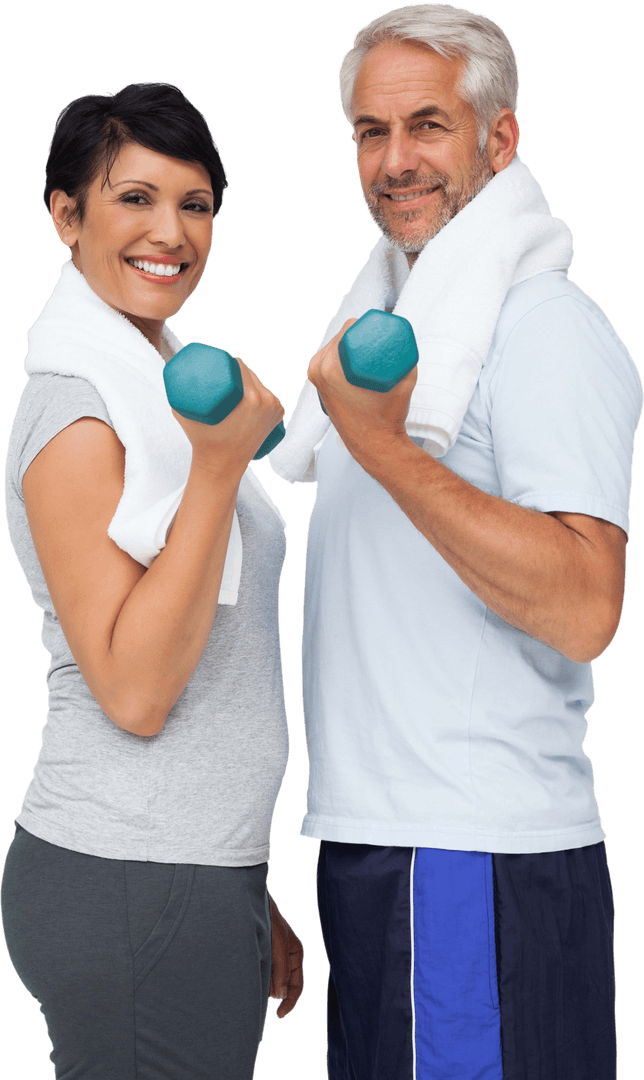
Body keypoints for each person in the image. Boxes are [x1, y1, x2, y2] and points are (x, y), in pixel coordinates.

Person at [269, 5, 641, 1079]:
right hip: (392, 844)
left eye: (426, 125)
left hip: (467, 858)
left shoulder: (541, 329)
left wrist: (383, 450)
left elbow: (584, 604)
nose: (393, 162)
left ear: (499, 138)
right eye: (367, 132)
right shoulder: (392, 335)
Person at [1, 82, 302, 1080]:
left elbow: (207, 662)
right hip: (132, 876)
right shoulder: (84, 419)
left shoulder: (154, 374)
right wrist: (218, 468)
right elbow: (134, 693)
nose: (169, 231)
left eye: (195, 203)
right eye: (134, 198)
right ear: (65, 213)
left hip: (178, 875)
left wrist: (240, 889)